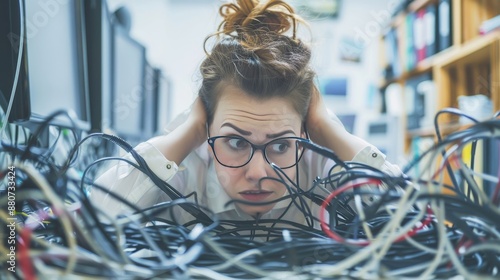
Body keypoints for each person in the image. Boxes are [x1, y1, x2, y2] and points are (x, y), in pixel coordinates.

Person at [93, 0, 401, 227]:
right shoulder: (182, 170)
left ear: (305, 132)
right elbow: (89, 225)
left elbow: (414, 222)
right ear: (207, 130)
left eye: (281, 145)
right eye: (236, 142)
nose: (257, 174)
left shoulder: (324, 166)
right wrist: (188, 131)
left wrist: (330, 131)